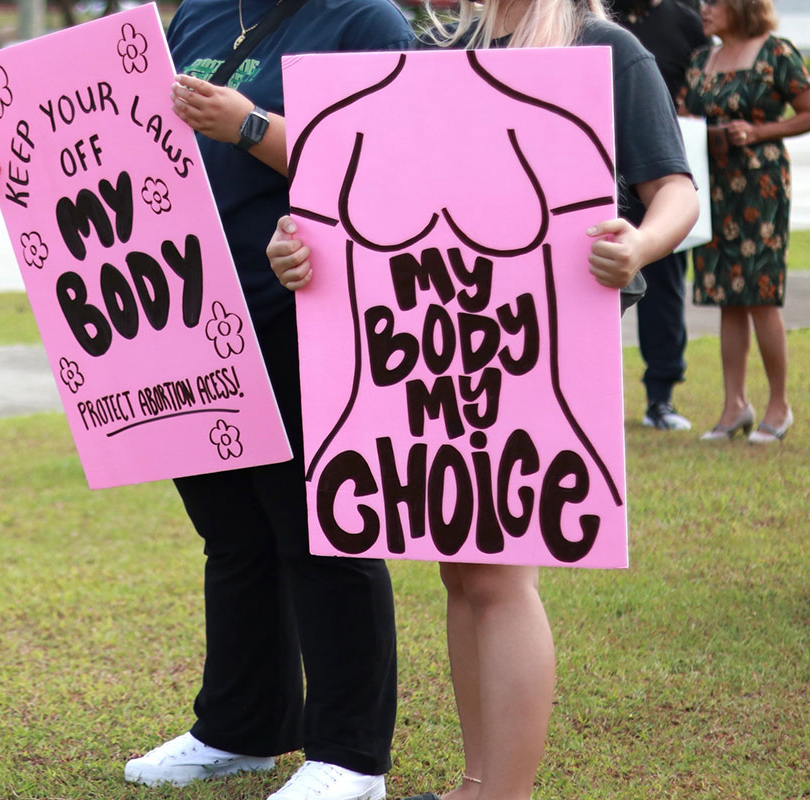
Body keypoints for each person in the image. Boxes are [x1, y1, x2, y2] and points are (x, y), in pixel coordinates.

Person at [0, 2, 415, 798]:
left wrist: (253, 128)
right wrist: (23, 168)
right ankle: (241, 730)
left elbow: (392, 167)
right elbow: (124, 141)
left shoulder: (366, 20)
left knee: (323, 537)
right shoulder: (204, 15)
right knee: (233, 534)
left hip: (303, 312)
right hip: (189, 317)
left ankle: (349, 759)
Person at [266, 0, 698, 797]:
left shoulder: (606, 48)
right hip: (428, 342)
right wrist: (297, 242)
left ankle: (503, 792)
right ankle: (478, 782)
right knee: (461, 572)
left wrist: (638, 241)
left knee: (500, 577)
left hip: (537, 347)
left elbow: (673, 187)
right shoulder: (433, 49)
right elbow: (360, 188)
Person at [678, 0, 810, 444]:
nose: (704, 9)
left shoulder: (777, 53)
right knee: (726, 295)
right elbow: (684, 117)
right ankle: (734, 406)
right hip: (713, 185)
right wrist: (705, 132)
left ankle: (779, 406)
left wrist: (757, 133)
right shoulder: (702, 59)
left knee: (760, 292)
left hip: (761, 186)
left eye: (714, 2)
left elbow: (807, 112)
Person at [606, 0, 708, 431]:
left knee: (664, 288)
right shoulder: (599, 14)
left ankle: (660, 396)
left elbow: (706, 78)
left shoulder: (682, 19)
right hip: (599, 182)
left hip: (656, 162)